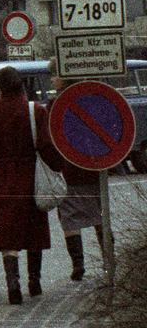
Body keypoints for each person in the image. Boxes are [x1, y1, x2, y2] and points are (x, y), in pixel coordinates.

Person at [0, 65, 59, 304]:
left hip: (1, 178)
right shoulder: (35, 111)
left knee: (7, 235)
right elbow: (48, 146)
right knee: (32, 229)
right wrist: (57, 168)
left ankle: (13, 283)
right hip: (30, 176)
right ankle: (34, 281)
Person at [46, 63, 105, 282]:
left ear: (64, 77)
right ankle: (109, 258)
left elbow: (50, 138)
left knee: (70, 218)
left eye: (54, 75)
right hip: (94, 166)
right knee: (101, 214)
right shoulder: (93, 99)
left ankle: (78, 264)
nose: (52, 80)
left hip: (69, 168)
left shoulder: (55, 104)